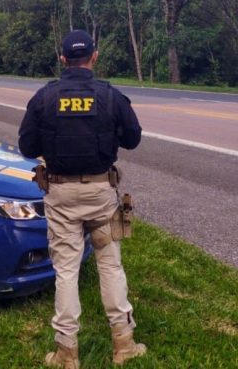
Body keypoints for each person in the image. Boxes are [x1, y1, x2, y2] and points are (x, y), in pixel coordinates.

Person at [18, 29, 146, 368]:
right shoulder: (111, 96)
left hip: (60, 195)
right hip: (101, 193)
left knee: (66, 271)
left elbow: (27, 147)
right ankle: (123, 343)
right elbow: (133, 139)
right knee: (111, 264)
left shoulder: (44, 98)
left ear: (62, 59)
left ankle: (66, 352)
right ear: (94, 57)